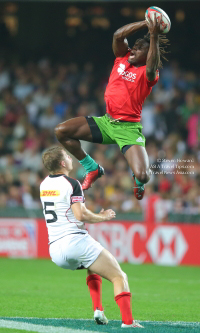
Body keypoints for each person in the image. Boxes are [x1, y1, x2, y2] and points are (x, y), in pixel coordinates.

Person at [55, 14, 169, 201]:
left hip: (128, 129)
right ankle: (91, 167)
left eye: (141, 48)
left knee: (143, 175)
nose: (134, 48)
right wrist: (145, 24)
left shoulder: (148, 73)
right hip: (106, 123)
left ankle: (138, 180)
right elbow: (118, 35)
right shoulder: (122, 57)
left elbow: (152, 65)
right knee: (61, 132)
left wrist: (154, 35)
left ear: (148, 56)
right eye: (136, 45)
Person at [40, 146, 144, 328]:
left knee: (92, 266)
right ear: (63, 163)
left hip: (55, 250)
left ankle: (98, 309)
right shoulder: (72, 183)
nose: (72, 159)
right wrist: (103, 216)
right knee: (119, 277)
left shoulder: (44, 185)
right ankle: (128, 322)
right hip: (75, 241)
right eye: (68, 156)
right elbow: (80, 214)